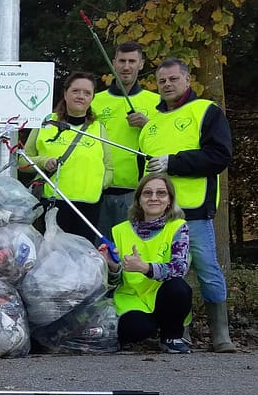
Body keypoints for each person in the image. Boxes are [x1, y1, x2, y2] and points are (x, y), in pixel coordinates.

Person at [139, 58, 235, 353]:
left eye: (173, 79)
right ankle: (179, 331)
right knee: (171, 274)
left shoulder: (205, 111)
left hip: (194, 211)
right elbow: (143, 172)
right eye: (162, 81)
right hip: (158, 214)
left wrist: (174, 163)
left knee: (207, 269)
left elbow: (220, 155)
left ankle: (221, 334)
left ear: (187, 80)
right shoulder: (150, 124)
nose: (167, 85)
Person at [99, 173, 192, 354]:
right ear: (139, 200)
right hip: (131, 299)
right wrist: (112, 266)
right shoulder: (120, 230)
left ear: (169, 200)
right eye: (147, 193)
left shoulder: (178, 226)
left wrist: (146, 268)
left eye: (161, 193)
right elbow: (114, 281)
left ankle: (171, 336)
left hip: (163, 295)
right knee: (137, 328)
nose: (154, 198)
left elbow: (179, 268)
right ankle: (140, 331)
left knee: (179, 288)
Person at [22, 71, 113, 242]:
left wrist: (100, 185)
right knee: (53, 258)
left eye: (87, 93)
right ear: (65, 94)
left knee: (82, 259)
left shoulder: (98, 128)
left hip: (88, 206)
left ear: (92, 98)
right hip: (53, 203)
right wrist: (43, 161)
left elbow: (108, 167)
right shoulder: (46, 121)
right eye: (76, 91)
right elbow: (22, 159)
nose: (81, 96)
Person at [92, 41, 161, 239]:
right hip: (99, 190)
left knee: (131, 252)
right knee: (99, 254)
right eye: (122, 61)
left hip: (137, 191)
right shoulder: (95, 101)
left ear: (141, 64)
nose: (126, 66)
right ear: (113, 63)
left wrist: (147, 125)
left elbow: (166, 142)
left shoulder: (156, 102)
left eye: (132, 61)